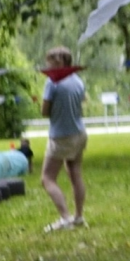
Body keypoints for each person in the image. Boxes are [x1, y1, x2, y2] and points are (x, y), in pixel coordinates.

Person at [40, 46, 88, 232]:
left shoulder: (52, 83)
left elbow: (45, 111)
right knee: (75, 173)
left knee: (47, 178)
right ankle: (78, 217)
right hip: (79, 134)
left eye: (51, 62)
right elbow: (81, 102)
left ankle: (65, 218)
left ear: (61, 62)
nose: (48, 66)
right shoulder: (78, 81)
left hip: (60, 137)